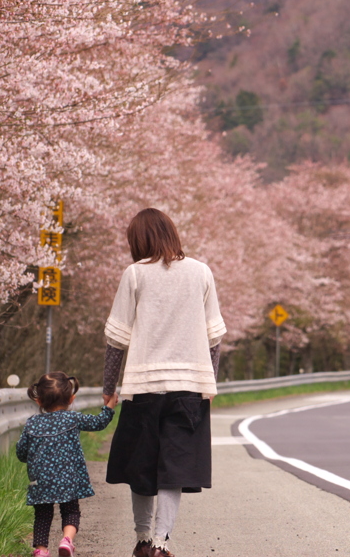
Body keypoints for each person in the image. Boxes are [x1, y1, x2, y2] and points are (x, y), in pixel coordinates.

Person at [103, 207, 226, 557]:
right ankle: (161, 542)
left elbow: (116, 339)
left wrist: (109, 387)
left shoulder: (134, 274)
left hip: (143, 386)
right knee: (176, 468)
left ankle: (142, 541)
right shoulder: (201, 272)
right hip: (189, 388)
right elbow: (214, 337)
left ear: (138, 240)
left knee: (141, 465)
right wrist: (209, 383)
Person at [17, 371, 115, 557]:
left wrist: (29, 459)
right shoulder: (73, 419)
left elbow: (22, 452)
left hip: (40, 481)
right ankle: (66, 540)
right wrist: (108, 406)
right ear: (71, 399)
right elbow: (99, 423)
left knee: (43, 515)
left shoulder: (32, 423)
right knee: (70, 511)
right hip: (68, 478)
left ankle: (41, 550)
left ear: (39, 401)